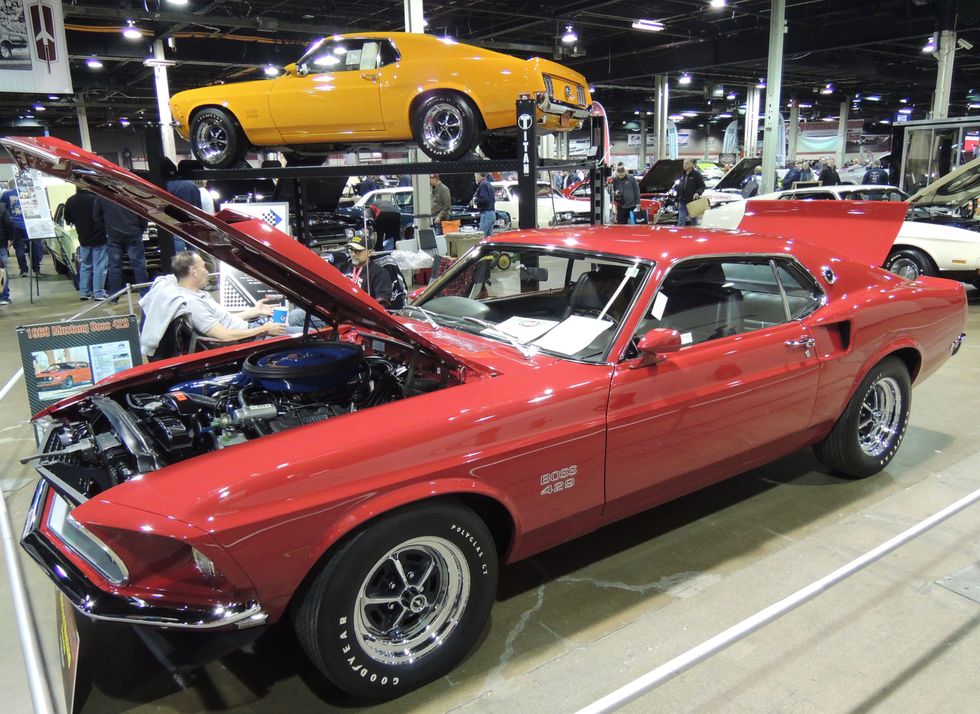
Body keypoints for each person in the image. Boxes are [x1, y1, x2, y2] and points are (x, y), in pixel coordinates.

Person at [168, 251, 285, 342]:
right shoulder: (191, 303)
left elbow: (226, 320)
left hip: (252, 329)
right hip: (251, 337)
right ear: (193, 271)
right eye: (203, 267)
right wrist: (264, 330)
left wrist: (255, 311)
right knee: (302, 333)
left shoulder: (199, 294)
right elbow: (224, 335)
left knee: (297, 316)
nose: (207, 271)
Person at [98, 196, 149, 295]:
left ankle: (114, 295)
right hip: (133, 233)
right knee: (139, 266)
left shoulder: (103, 196)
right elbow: (143, 214)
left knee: (114, 267)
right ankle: (145, 293)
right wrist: (141, 229)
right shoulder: (131, 195)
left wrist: (107, 229)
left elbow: (97, 216)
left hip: (114, 235)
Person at [64, 188, 108, 301]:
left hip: (83, 238)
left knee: (85, 265)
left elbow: (67, 219)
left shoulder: (71, 200)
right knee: (99, 266)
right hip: (99, 237)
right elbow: (103, 217)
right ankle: (98, 293)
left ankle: (84, 292)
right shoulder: (96, 199)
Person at [1, 177, 42, 276]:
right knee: (34, 247)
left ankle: (23, 270)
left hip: (14, 225)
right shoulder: (28, 193)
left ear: (10, 185)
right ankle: (36, 269)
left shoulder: (6, 194)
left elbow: (2, 209)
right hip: (30, 224)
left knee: (19, 248)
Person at [162, 158, 203, 254]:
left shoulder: (167, 186)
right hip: (192, 225)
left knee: (179, 257)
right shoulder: (190, 185)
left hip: (174, 226)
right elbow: (198, 208)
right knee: (194, 255)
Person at [675, 159, 706, 226]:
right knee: (681, 220)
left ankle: (694, 234)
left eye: (686, 163)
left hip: (693, 202)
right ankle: (679, 235)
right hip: (682, 201)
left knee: (694, 221)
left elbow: (702, 186)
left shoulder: (696, 175)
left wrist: (698, 193)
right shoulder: (682, 174)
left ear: (691, 164)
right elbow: (678, 188)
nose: (684, 165)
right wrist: (676, 199)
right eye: (684, 163)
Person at [0, 198, 12, 305]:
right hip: (1, 244)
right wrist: (10, 238)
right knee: (2, 270)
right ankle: (3, 296)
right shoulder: (2, 208)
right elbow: (9, 223)